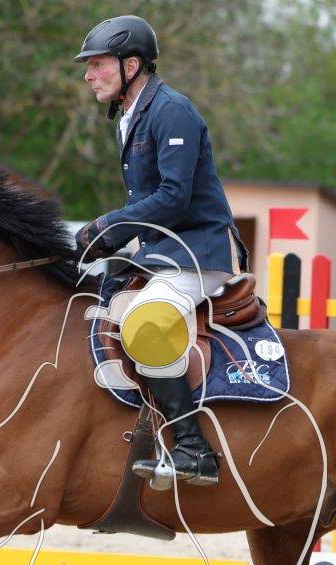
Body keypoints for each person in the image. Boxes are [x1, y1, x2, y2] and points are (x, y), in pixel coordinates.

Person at [73, 14, 250, 488]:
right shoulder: (131, 117)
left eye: (97, 64)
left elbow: (174, 198)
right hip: (164, 253)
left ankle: (194, 449)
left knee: (146, 324)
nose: (89, 75)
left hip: (199, 253)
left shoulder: (172, 111)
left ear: (131, 65)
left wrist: (110, 226)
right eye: (88, 66)